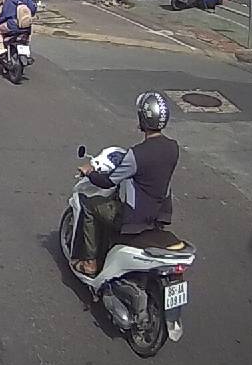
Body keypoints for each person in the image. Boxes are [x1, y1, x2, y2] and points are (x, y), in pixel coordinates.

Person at [72, 92, 180, 276]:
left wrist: (90, 172)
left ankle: (90, 262)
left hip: (135, 216)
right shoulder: (173, 147)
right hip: (159, 212)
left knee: (89, 205)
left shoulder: (137, 154)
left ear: (143, 119)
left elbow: (107, 182)